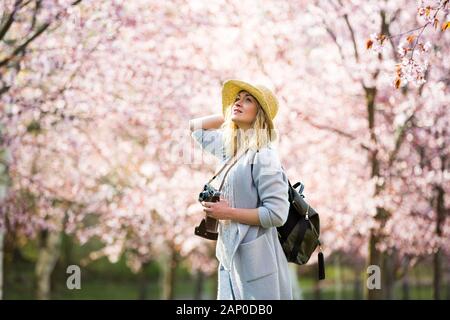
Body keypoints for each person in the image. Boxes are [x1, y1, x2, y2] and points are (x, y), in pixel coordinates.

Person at [189, 79, 293, 300]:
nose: (238, 103)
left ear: (260, 113)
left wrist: (228, 213)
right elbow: (195, 127)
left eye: (248, 100)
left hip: (257, 263)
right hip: (229, 258)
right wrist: (228, 114)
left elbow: (277, 214)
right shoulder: (232, 149)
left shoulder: (264, 155)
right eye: (237, 99)